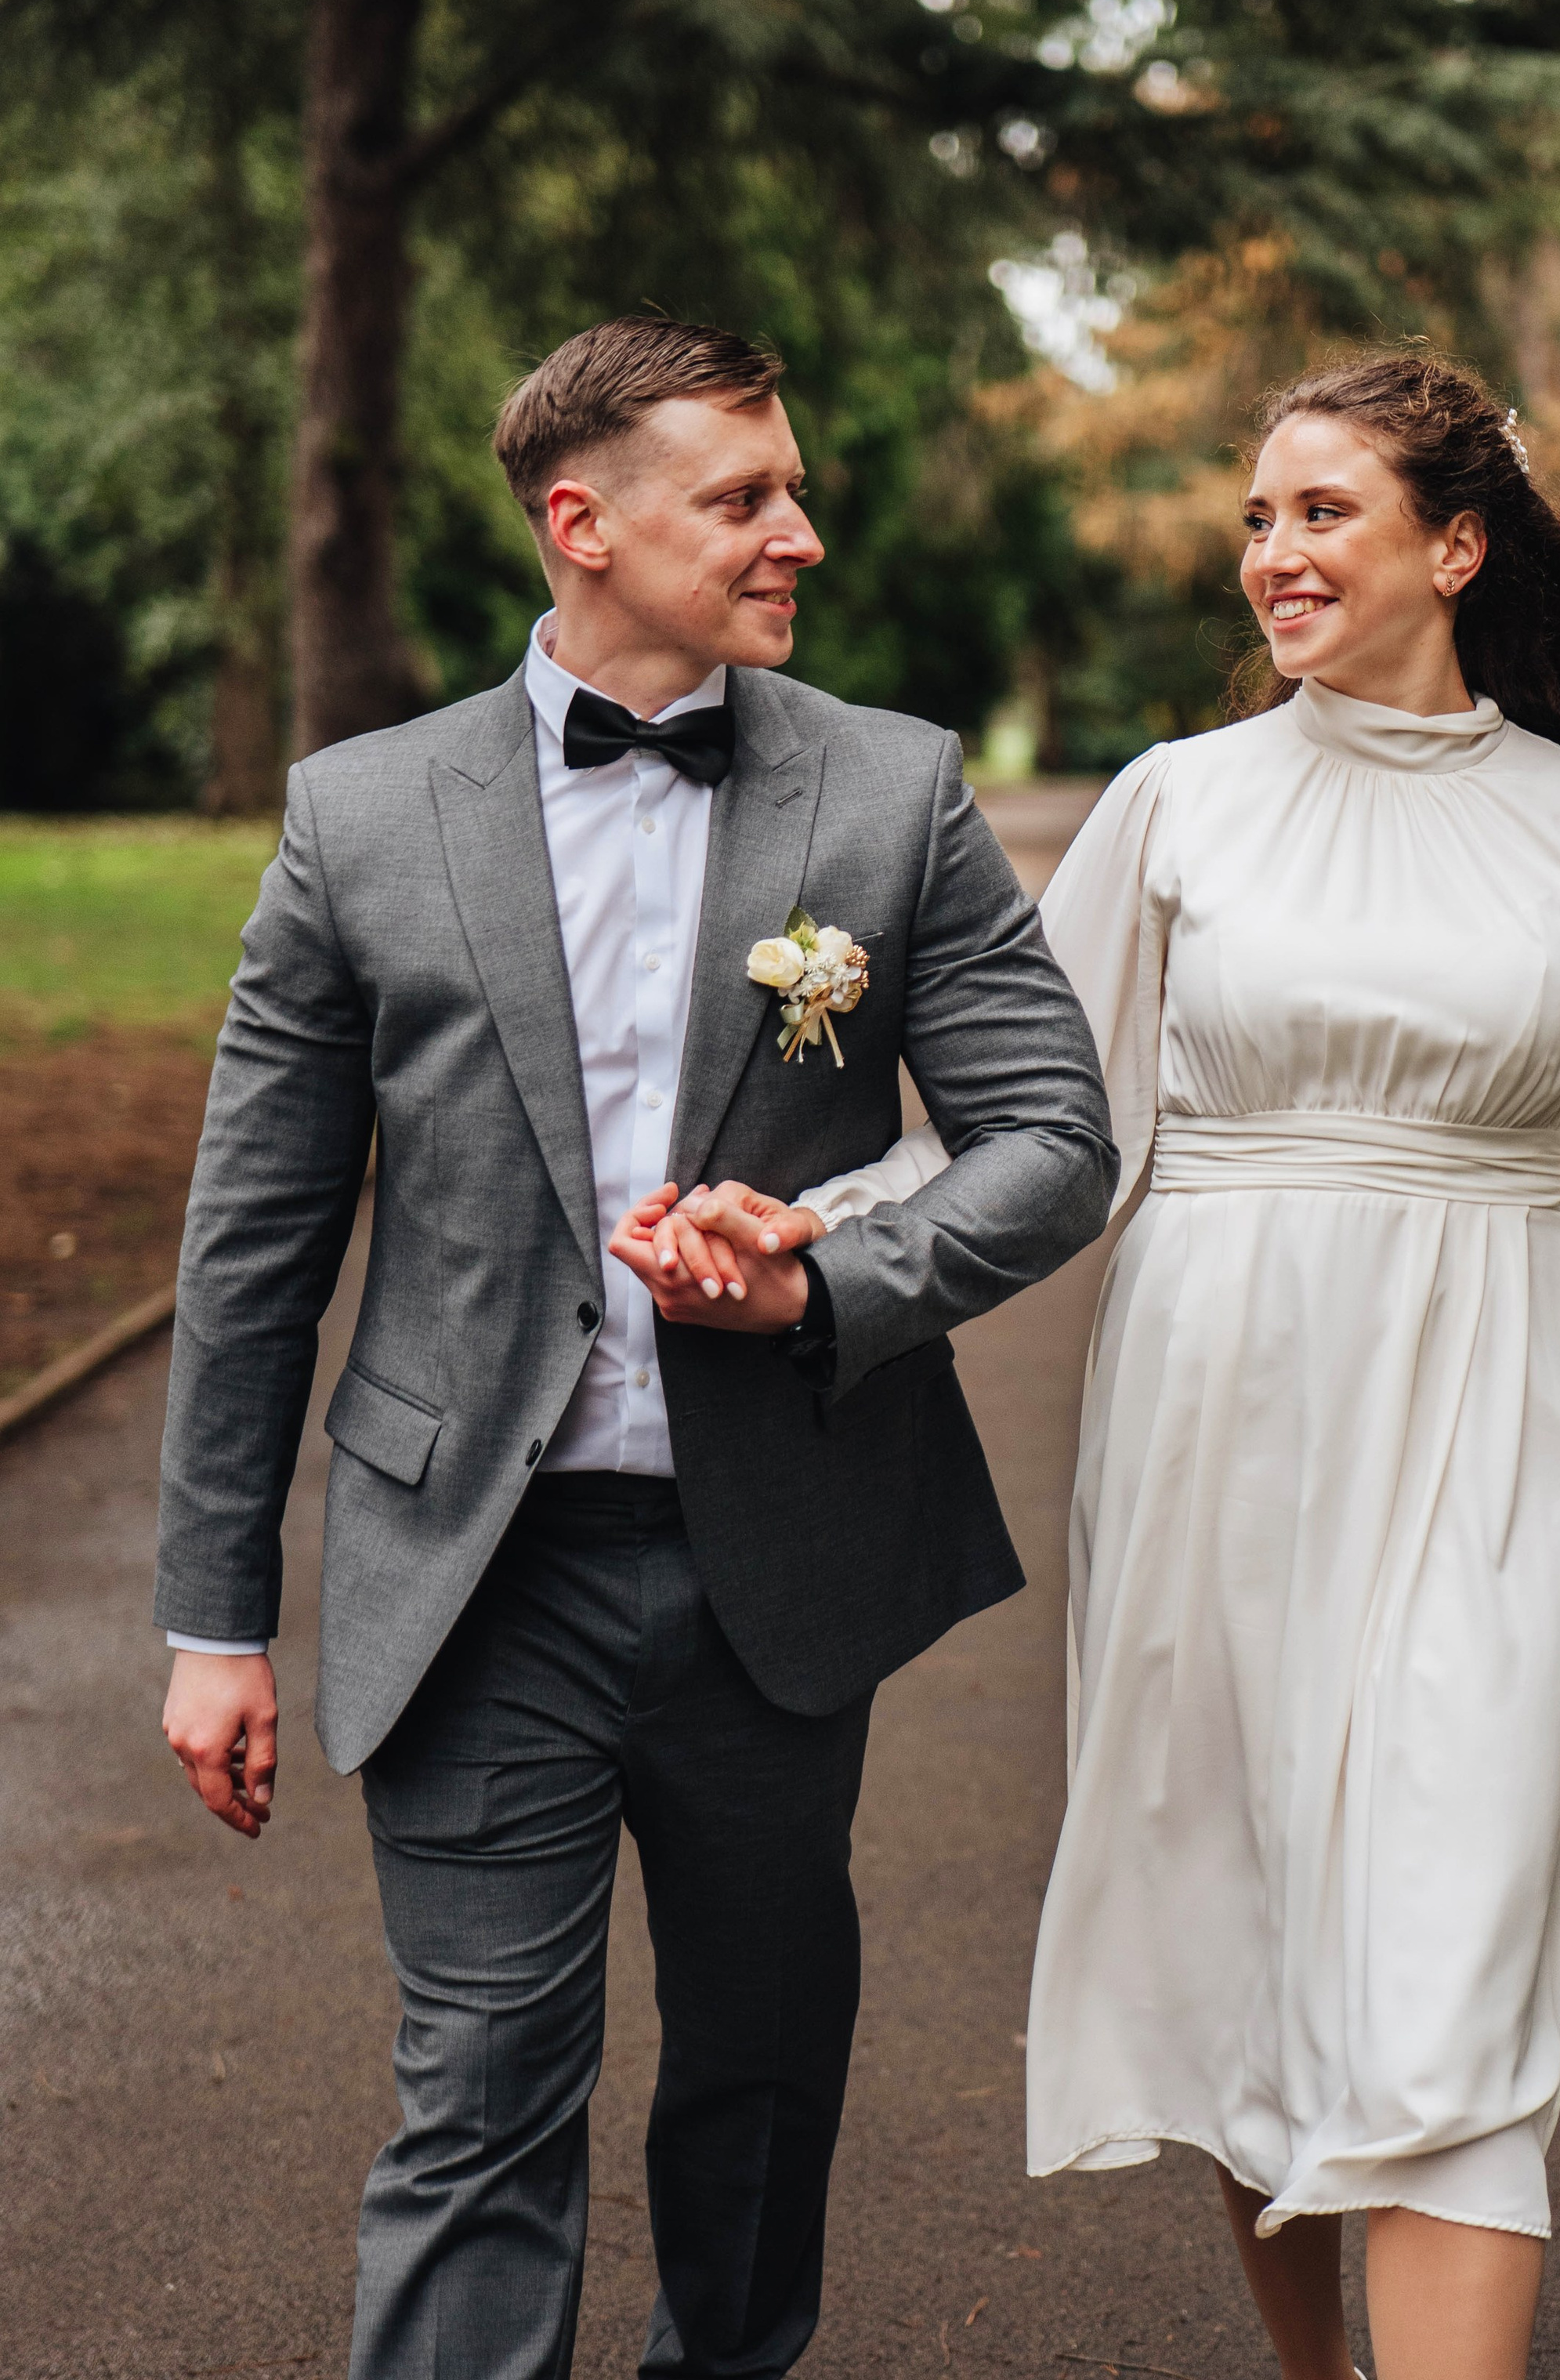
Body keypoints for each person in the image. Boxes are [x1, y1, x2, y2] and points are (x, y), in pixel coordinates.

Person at [703, 352, 1560, 2380]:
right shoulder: (1182, 801)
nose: (1274, 553)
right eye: (1258, 517)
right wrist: (812, 1226)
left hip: (1492, 1430)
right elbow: (1035, 1123)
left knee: (1448, 1971)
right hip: (1216, 1423)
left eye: (1323, 511)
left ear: (1457, 543)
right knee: (1251, 1927)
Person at [154, 314, 1116, 2380]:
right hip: (473, 1573)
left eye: (796, 490)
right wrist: (212, 1616)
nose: (802, 535)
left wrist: (826, 1276)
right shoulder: (361, 816)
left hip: (776, 1556)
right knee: (480, 2096)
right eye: (745, 496)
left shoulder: (890, 789)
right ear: (583, 524)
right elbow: (252, 1243)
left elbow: (1054, 1141)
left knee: (760, 2084)